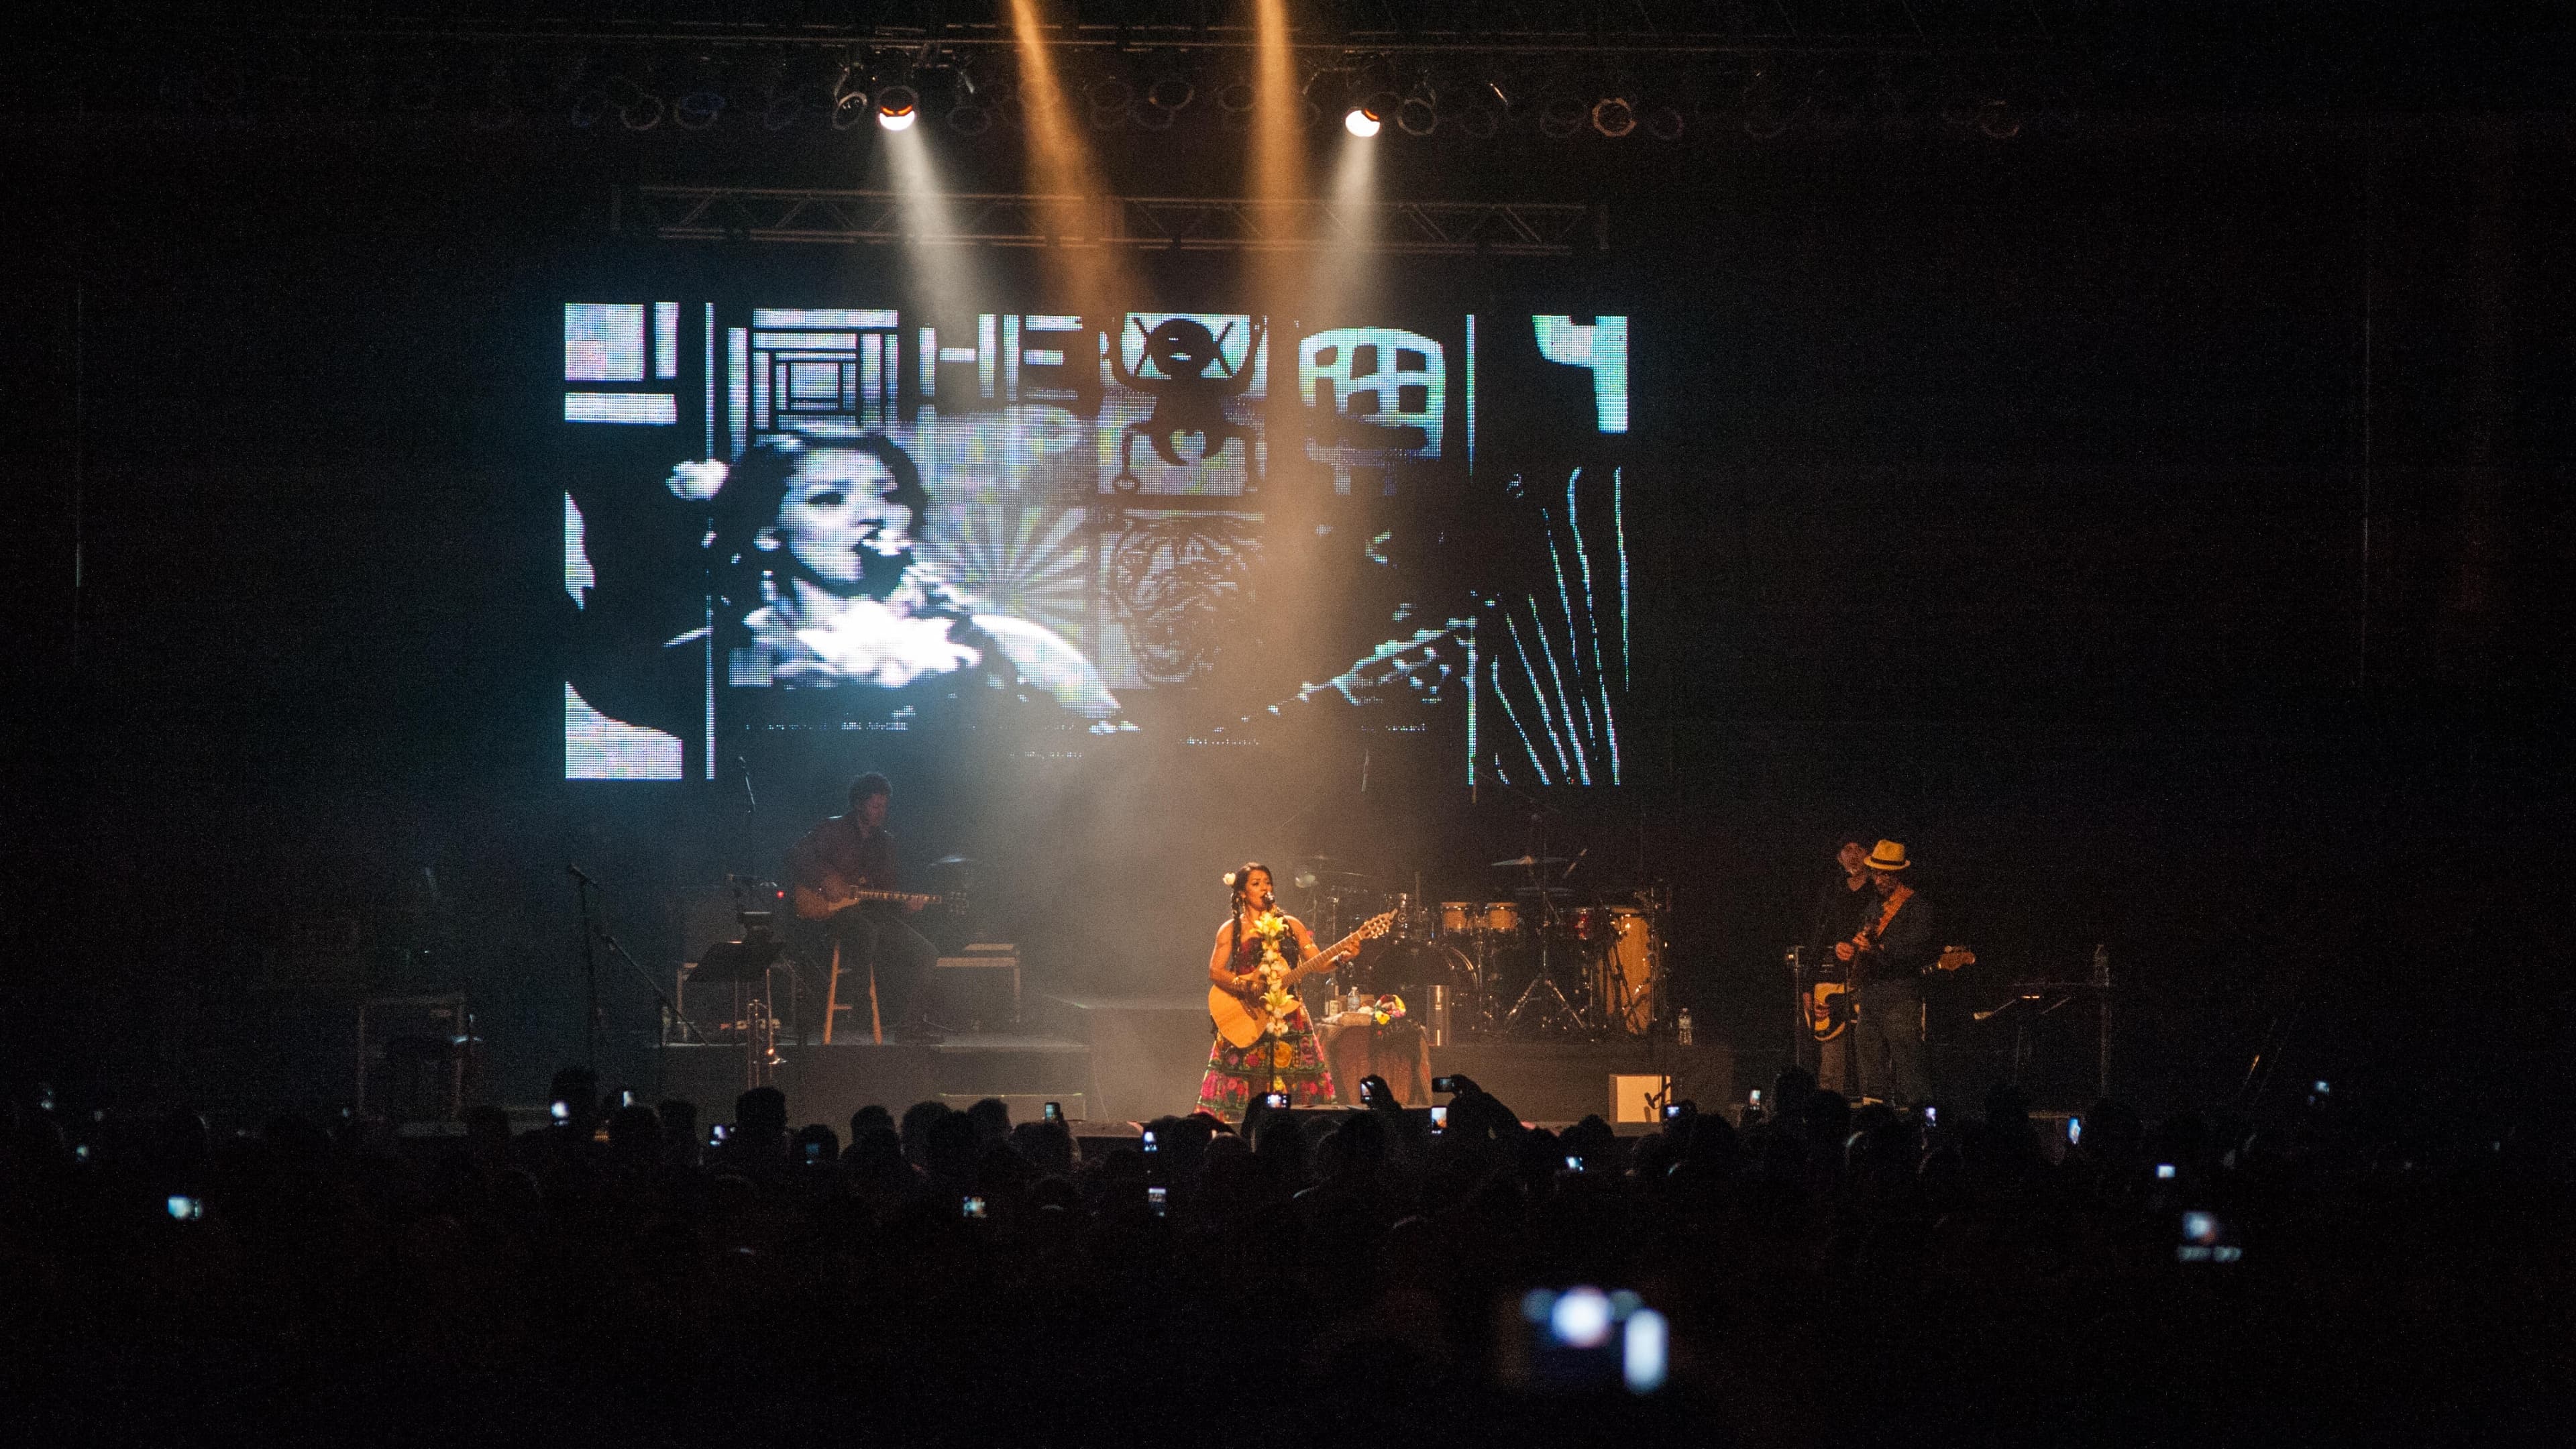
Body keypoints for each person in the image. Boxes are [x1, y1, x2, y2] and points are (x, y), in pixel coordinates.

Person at [706, 435, 1126, 727]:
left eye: (888, 495)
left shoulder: (1013, 646)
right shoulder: (721, 653)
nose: (872, 516)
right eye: (829, 499)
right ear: (767, 529)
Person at [787, 773, 944, 1042]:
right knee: (864, 930)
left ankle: (909, 1027)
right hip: (835, 915)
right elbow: (799, 855)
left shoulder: (885, 843)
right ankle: (859, 1000)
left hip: (872, 914)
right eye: (875, 806)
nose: (881, 812)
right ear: (859, 804)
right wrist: (826, 878)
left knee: (927, 952)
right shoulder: (832, 830)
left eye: (884, 806)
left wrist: (907, 907)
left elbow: (886, 894)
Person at [1194, 863, 1337, 1121]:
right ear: (1241, 894)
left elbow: (1318, 961)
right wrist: (1246, 985)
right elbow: (1215, 972)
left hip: (1288, 1015)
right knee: (1250, 1085)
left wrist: (1342, 957)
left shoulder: (1291, 925)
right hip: (1246, 1015)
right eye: (1256, 883)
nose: (1265, 888)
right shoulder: (1231, 929)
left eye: (1268, 882)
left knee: (1292, 1082)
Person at [1837, 839, 1935, 1107]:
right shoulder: (1873, 907)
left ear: (1899, 874)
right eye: (1877, 873)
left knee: (1909, 1067)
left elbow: (1913, 952)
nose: (1879, 879)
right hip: (1871, 1000)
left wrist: (1877, 949)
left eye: (1885, 874)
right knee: (1870, 1071)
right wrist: (1848, 949)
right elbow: (1862, 944)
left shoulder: (1918, 908)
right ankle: (1873, 1124)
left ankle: (1920, 1125)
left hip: (1900, 998)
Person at [1805, 837, 1876, 1095]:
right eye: (1848, 849)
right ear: (1839, 858)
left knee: (1871, 1062)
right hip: (1834, 986)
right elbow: (1817, 937)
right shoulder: (1833, 891)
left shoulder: (1878, 892)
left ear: (1869, 854)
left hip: (1870, 983)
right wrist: (1807, 986)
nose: (1854, 854)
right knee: (1831, 1067)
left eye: (1860, 848)